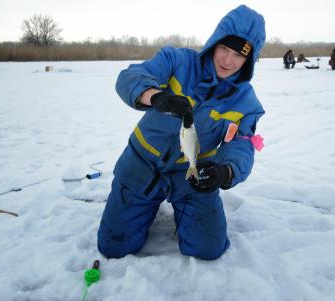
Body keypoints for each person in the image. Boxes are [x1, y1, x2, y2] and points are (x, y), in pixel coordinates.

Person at [97, 5, 266, 260]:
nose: (228, 61)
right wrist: (154, 97)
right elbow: (131, 76)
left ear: (249, 60)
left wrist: (225, 171)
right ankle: (142, 206)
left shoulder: (246, 102)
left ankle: (186, 211)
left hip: (193, 172)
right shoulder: (177, 61)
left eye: (238, 55)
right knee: (114, 247)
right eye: (224, 49)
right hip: (142, 164)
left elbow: (241, 144)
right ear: (214, 43)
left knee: (208, 249)